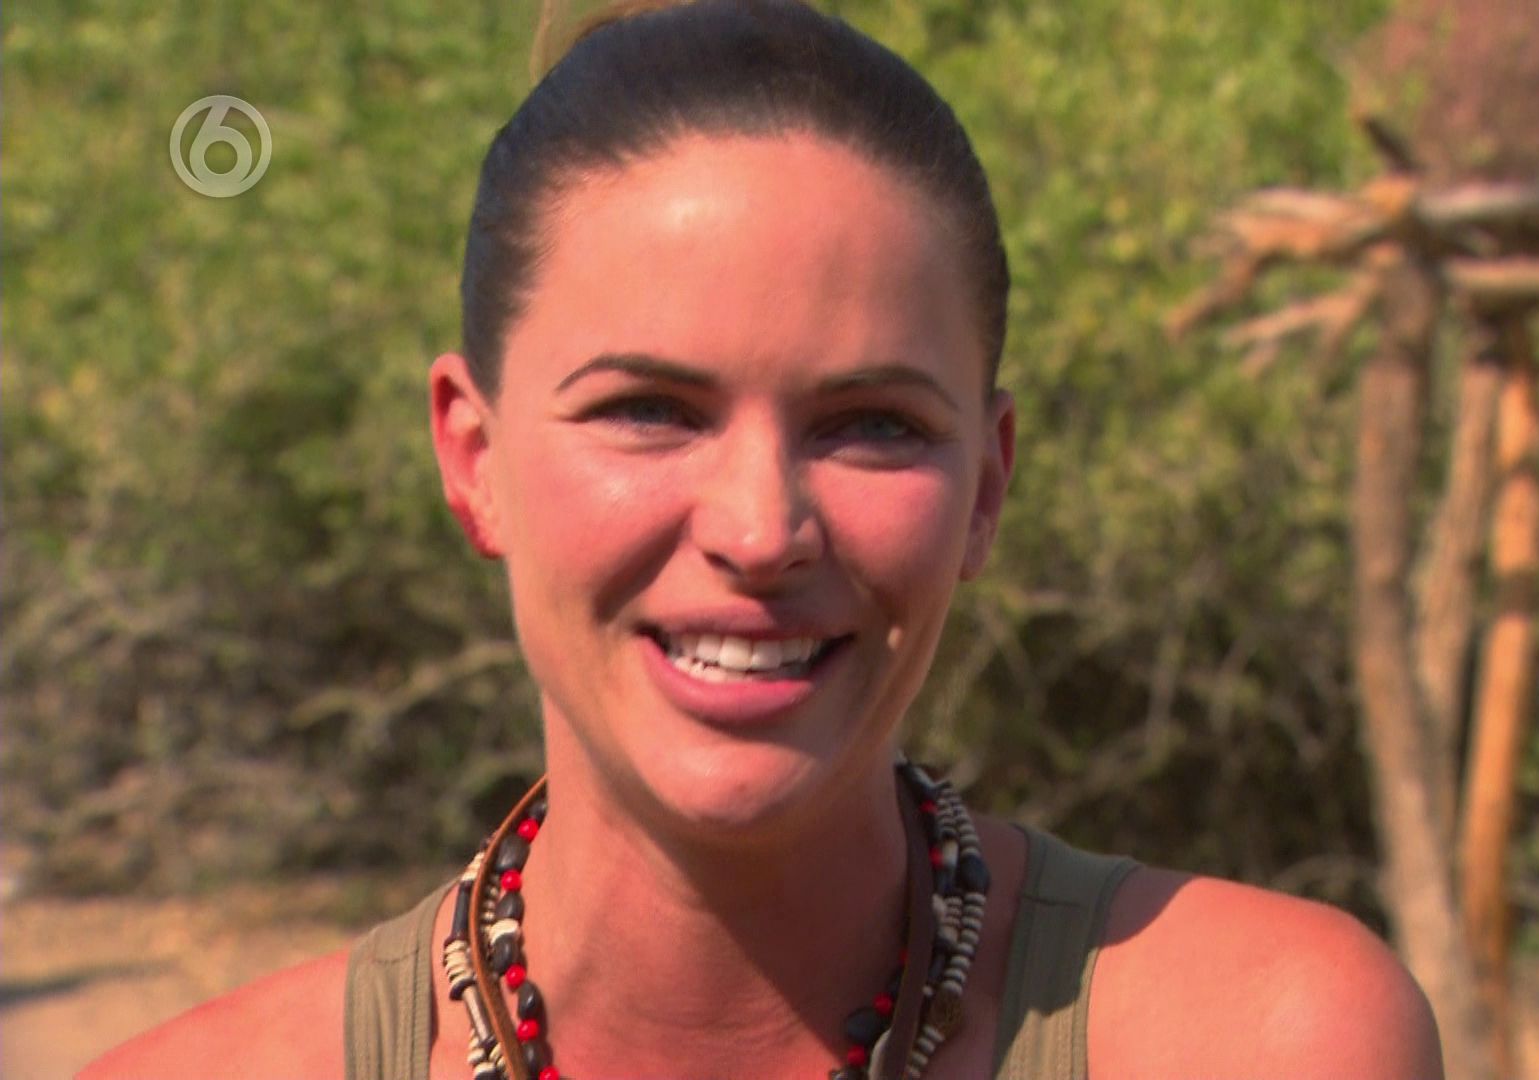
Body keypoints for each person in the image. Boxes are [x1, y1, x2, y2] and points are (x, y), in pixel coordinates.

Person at [85, 2, 1442, 1076]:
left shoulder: (1260, 1040)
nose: (759, 529)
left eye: (872, 426)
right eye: (649, 411)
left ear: (986, 483)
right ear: (474, 457)